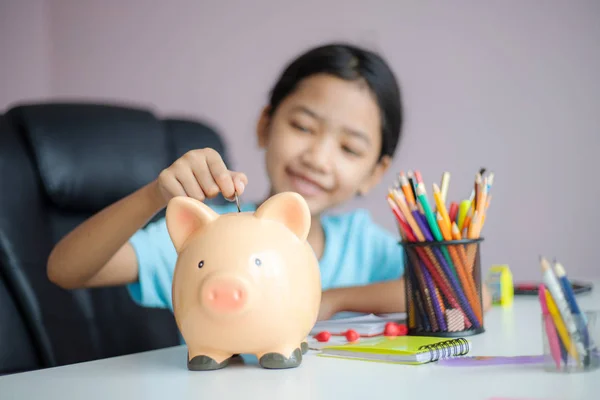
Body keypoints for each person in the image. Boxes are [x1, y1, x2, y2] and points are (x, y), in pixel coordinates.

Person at [47, 42, 491, 325]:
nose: (318, 157)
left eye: (350, 149)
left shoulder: (359, 245)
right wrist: (153, 197)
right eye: (303, 126)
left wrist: (332, 300)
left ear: (374, 173)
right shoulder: (208, 237)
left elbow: (470, 295)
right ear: (265, 125)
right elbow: (66, 270)